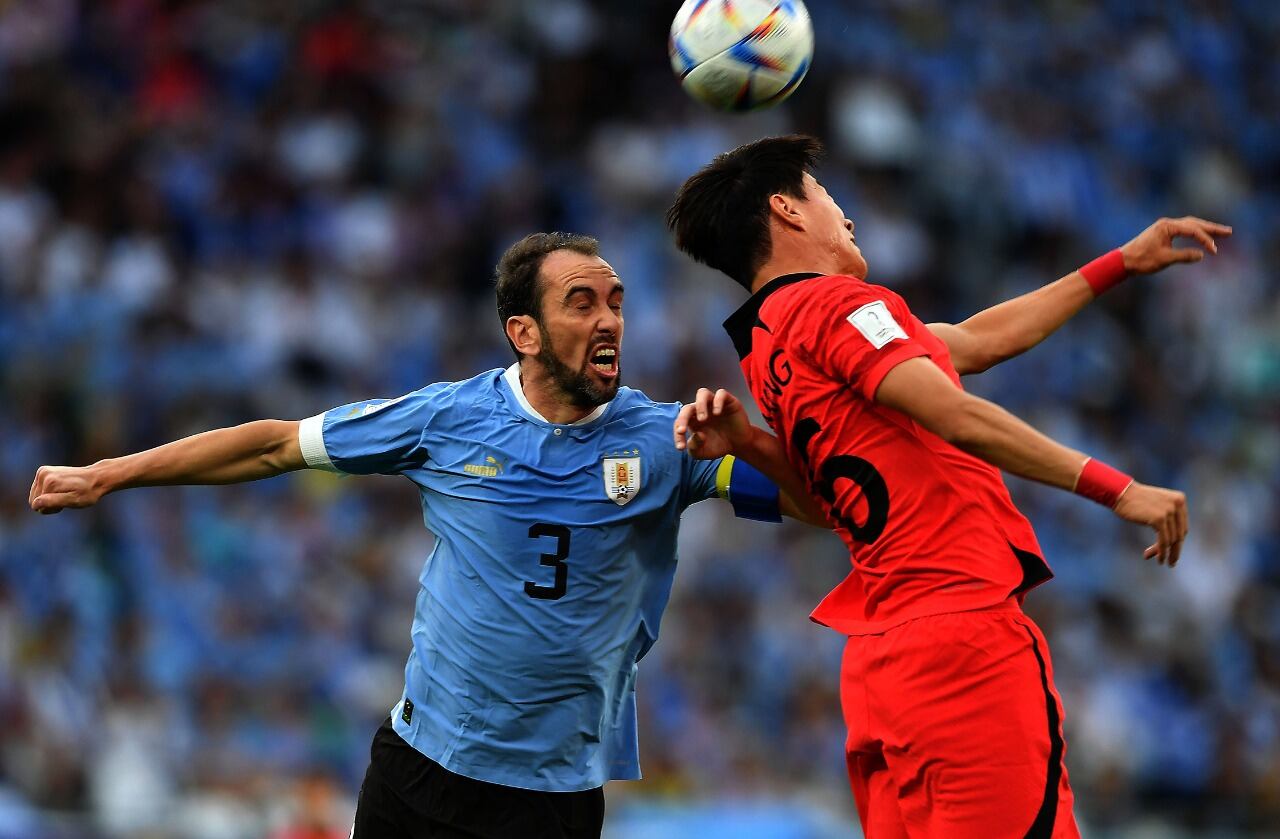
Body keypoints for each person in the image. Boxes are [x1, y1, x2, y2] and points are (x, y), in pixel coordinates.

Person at [28, 232, 824, 839]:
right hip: (419, 769)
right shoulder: (448, 420)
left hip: (554, 795)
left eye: (615, 300)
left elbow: (824, 509)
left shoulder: (667, 439)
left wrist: (751, 445)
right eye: (582, 302)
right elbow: (275, 442)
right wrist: (109, 473)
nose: (608, 317)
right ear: (525, 331)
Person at [666, 135, 1231, 838]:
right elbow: (953, 412)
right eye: (826, 193)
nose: (845, 212)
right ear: (787, 209)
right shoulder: (836, 306)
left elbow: (970, 343)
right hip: (961, 640)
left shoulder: (770, 348)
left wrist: (1119, 263)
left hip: (884, 664)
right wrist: (1117, 488)